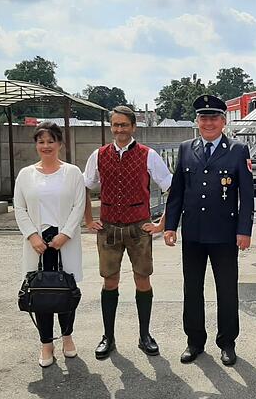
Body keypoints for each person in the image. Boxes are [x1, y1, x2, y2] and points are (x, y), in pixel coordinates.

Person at [163, 94, 254, 366]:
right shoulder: (186, 148)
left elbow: (247, 196)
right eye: (203, 118)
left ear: (223, 121)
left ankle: (227, 342)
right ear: (196, 121)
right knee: (192, 289)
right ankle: (194, 341)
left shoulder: (238, 150)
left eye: (214, 117)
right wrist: (170, 226)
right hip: (193, 233)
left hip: (225, 234)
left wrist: (244, 230)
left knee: (226, 290)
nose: (208, 122)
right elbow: (177, 190)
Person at [83, 105, 173, 359]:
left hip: (138, 226)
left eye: (124, 124)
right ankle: (108, 337)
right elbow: (84, 186)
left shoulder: (148, 155)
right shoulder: (99, 155)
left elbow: (172, 188)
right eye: (115, 125)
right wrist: (89, 219)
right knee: (109, 280)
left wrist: (161, 223)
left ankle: (145, 335)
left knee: (142, 279)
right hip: (109, 226)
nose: (119, 129)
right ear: (111, 127)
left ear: (133, 127)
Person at [14, 122, 86, 367]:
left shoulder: (73, 172)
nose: (46, 146)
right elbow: (20, 208)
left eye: (50, 141)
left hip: (64, 242)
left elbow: (79, 205)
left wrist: (66, 234)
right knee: (40, 293)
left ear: (60, 144)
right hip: (38, 244)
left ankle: (67, 337)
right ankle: (46, 343)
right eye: (41, 141)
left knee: (66, 290)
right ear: (36, 145)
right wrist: (32, 236)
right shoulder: (26, 175)